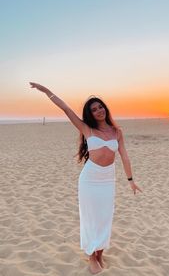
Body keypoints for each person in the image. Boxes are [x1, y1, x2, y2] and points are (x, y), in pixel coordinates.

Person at [29, 82, 142, 274]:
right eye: (94, 109)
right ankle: (91, 255)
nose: (99, 111)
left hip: (108, 180)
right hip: (90, 180)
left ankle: (99, 253)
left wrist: (131, 180)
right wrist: (46, 91)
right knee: (91, 217)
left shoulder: (117, 132)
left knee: (105, 217)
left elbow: (124, 155)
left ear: (105, 108)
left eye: (100, 107)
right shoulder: (86, 129)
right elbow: (66, 108)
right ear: (90, 114)